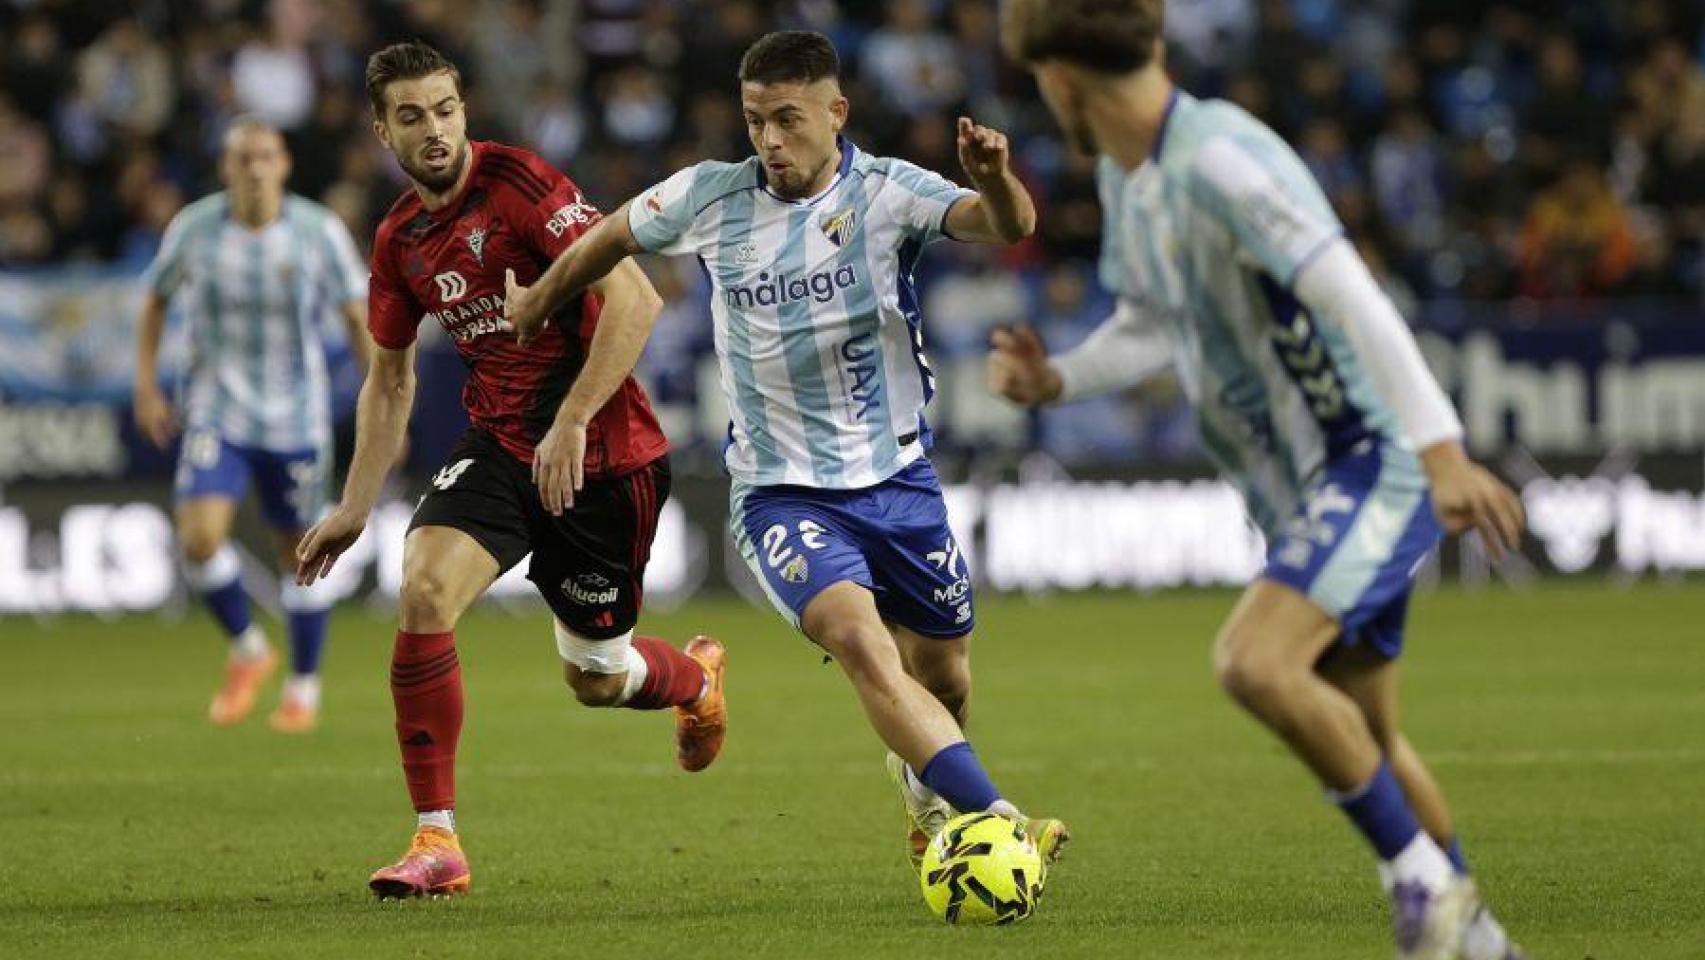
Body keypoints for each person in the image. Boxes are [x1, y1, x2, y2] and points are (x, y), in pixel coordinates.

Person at [991, 3, 1525, 959]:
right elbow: (1154, 323)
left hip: (1370, 462)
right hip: (1298, 497)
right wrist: (1057, 378)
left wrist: (1442, 451)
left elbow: (1349, 288)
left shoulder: (1224, 160)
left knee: (1255, 661)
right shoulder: (1132, 177)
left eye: (1039, 82)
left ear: (1062, 80)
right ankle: (1476, 940)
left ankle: (1423, 896)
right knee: (1371, 741)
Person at [504, 30, 1067, 876]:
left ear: (836, 113)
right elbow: (612, 235)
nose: (769, 140)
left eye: (789, 120)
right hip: (781, 492)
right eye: (756, 120)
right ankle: (998, 818)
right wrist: (540, 300)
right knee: (859, 640)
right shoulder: (711, 196)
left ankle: (924, 793)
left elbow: (1006, 223)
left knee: (944, 677)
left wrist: (991, 174)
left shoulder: (886, 192)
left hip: (899, 478)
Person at [294, 41, 727, 900]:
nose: (435, 130)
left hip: (605, 458)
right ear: (384, 131)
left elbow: (637, 299)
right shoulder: (399, 241)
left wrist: (572, 420)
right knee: (422, 588)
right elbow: (390, 376)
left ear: (464, 110)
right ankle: (436, 840)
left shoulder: (523, 186)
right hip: (500, 447)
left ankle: (695, 678)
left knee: (596, 678)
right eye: (411, 116)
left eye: (445, 109)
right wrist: (354, 502)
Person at [134, 115, 369, 734]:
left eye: (266, 156)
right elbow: (154, 299)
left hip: (297, 419)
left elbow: (357, 316)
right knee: (199, 538)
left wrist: (382, 402)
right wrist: (146, 384)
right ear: (226, 167)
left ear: (284, 165)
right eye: (243, 157)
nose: (255, 167)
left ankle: (304, 689)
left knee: (300, 556)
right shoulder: (195, 229)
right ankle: (249, 650)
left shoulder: (318, 231)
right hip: (217, 410)